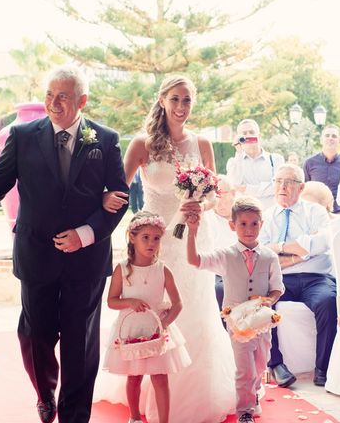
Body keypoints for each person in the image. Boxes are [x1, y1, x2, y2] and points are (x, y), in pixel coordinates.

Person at [0, 65, 129, 423]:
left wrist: (84, 234)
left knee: (80, 342)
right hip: (36, 254)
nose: (54, 103)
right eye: (49, 95)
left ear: (82, 101)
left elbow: (119, 197)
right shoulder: (21, 136)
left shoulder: (106, 139)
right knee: (35, 336)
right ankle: (44, 393)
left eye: (63, 96)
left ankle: (74, 414)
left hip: (86, 260)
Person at [100, 75, 236, 422]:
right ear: (162, 100)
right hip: (155, 240)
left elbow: (212, 195)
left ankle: (195, 394)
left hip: (192, 236)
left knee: (194, 310)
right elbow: (118, 188)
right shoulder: (142, 145)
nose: (181, 107)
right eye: (175, 99)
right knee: (153, 307)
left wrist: (199, 208)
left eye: (187, 100)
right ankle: (146, 384)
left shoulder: (202, 143)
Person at [186, 196, 284, 423]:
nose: (249, 229)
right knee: (244, 369)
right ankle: (245, 411)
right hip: (237, 322)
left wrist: (269, 300)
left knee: (260, 362)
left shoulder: (269, 256)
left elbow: (277, 288)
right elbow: (194, 260)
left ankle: (255, 391)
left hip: (261, 321)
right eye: (243, 224)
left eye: (254, 224)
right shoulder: (225, 255)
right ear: (232, 225)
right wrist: (192, 232)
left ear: (262, 224)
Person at [104, 212, 190, 423]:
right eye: (145, 237)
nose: (152, 242)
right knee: (134, 377)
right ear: (132, 237)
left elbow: (178, 303)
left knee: (160, 378)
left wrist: (165, 324)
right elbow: (111, 301)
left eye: (156, 238)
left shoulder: (162, 270)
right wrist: (129, 302)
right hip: (131, 330)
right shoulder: (122, 269)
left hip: (156, 331)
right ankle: (134, 418)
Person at [260, 163, 336, 388]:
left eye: (289, 182)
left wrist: (280, 249)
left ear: (301, 187)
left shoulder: (315, 212)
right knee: (263, 302)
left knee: (328, 302)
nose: (282, 187)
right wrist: (302, 252)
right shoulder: (265, 216)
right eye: (278, 182)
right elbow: (262, 251)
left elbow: (321, 242)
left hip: (316, 278)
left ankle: (323, 369)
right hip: (280, 280)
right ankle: (275, 365)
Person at [226, 119, 285, 209]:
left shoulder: (276, 159)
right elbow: (234, 184)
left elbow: (278, 186)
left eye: (252, 132)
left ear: (259, 136)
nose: (248, 135)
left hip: (271, 214)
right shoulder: (233, 162)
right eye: (244, 134)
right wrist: (239, 152)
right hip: (246, 216)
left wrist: (247, 189)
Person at [204, 175, 238, 311]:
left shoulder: (245, 214)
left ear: (233, 193)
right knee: (220, 290)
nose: (218, 202)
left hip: (246, 270)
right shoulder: (209, 219)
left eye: (221, 195)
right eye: (214, 197)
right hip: (219, 272)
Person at [303, 124, 340, 213]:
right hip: (314, 213)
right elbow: (304, 190)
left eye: (334, 136)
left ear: (339, 141)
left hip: (339, 214)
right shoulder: (309, 163)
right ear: (321, 140)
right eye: (327, 135)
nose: (330, 138)